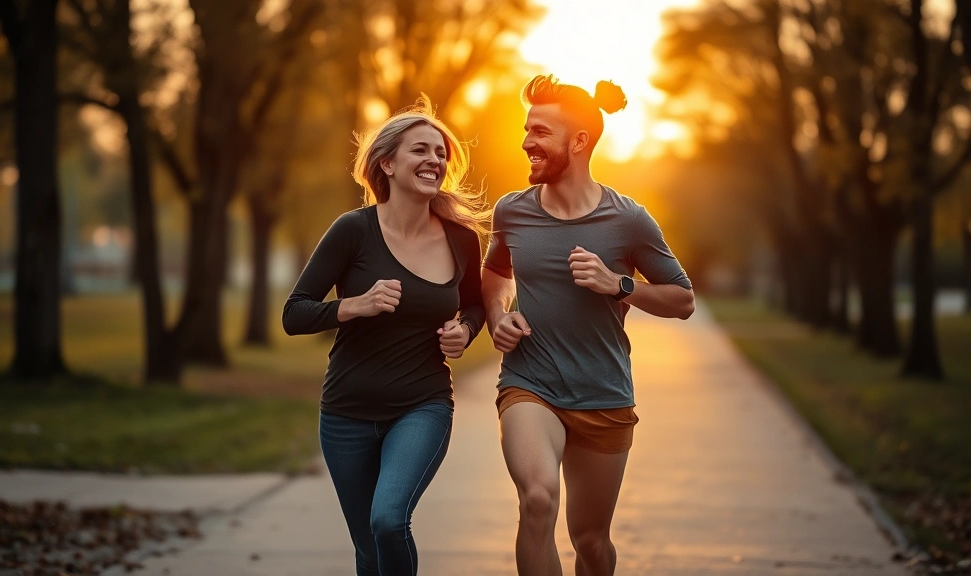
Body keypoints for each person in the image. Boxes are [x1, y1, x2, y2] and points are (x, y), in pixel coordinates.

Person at [482, 75, 695, 576]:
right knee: (537, 501)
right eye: (526, 129)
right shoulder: (511, 211)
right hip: (529, 384)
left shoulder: (629, 220)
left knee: (591, 540)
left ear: (578, 141)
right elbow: (493, 273)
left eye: (540, 131)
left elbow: (682, 299)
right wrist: (498, 315)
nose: (526, 141)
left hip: (603, 394)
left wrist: (618, 284)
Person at [282, 96, 487, 576]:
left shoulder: (460, 238)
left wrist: (466, 329)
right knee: (369, 550)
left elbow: (475, 303)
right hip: (346, 412)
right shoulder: (352, 231)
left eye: (440, 153)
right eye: (420, 150)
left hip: (423, 405)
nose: (434, 160)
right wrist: (354, 305)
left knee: (389, 521)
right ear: (387, 163)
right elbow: (294, 313)